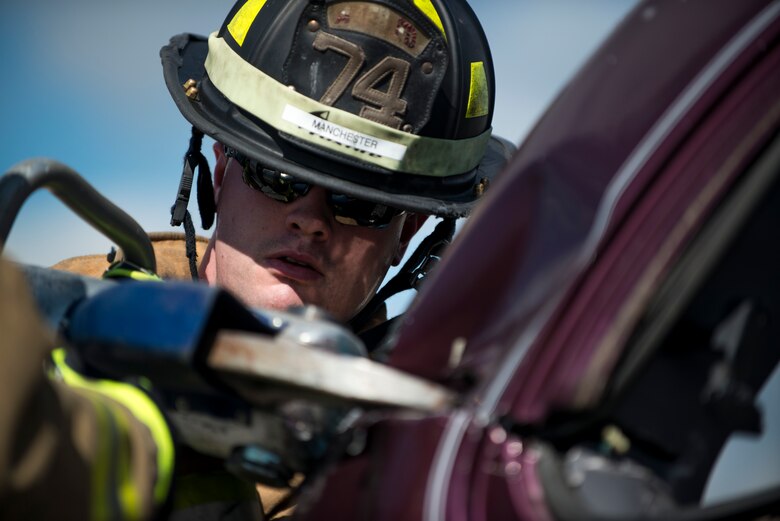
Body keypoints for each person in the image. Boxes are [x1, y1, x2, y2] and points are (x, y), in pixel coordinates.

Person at [3, 0, 512, 519]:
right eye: (278, 178)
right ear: (221, 171)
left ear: (407, 232)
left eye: (361, 205)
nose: (310, 221)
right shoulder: (53, 318)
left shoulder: (418, 462)